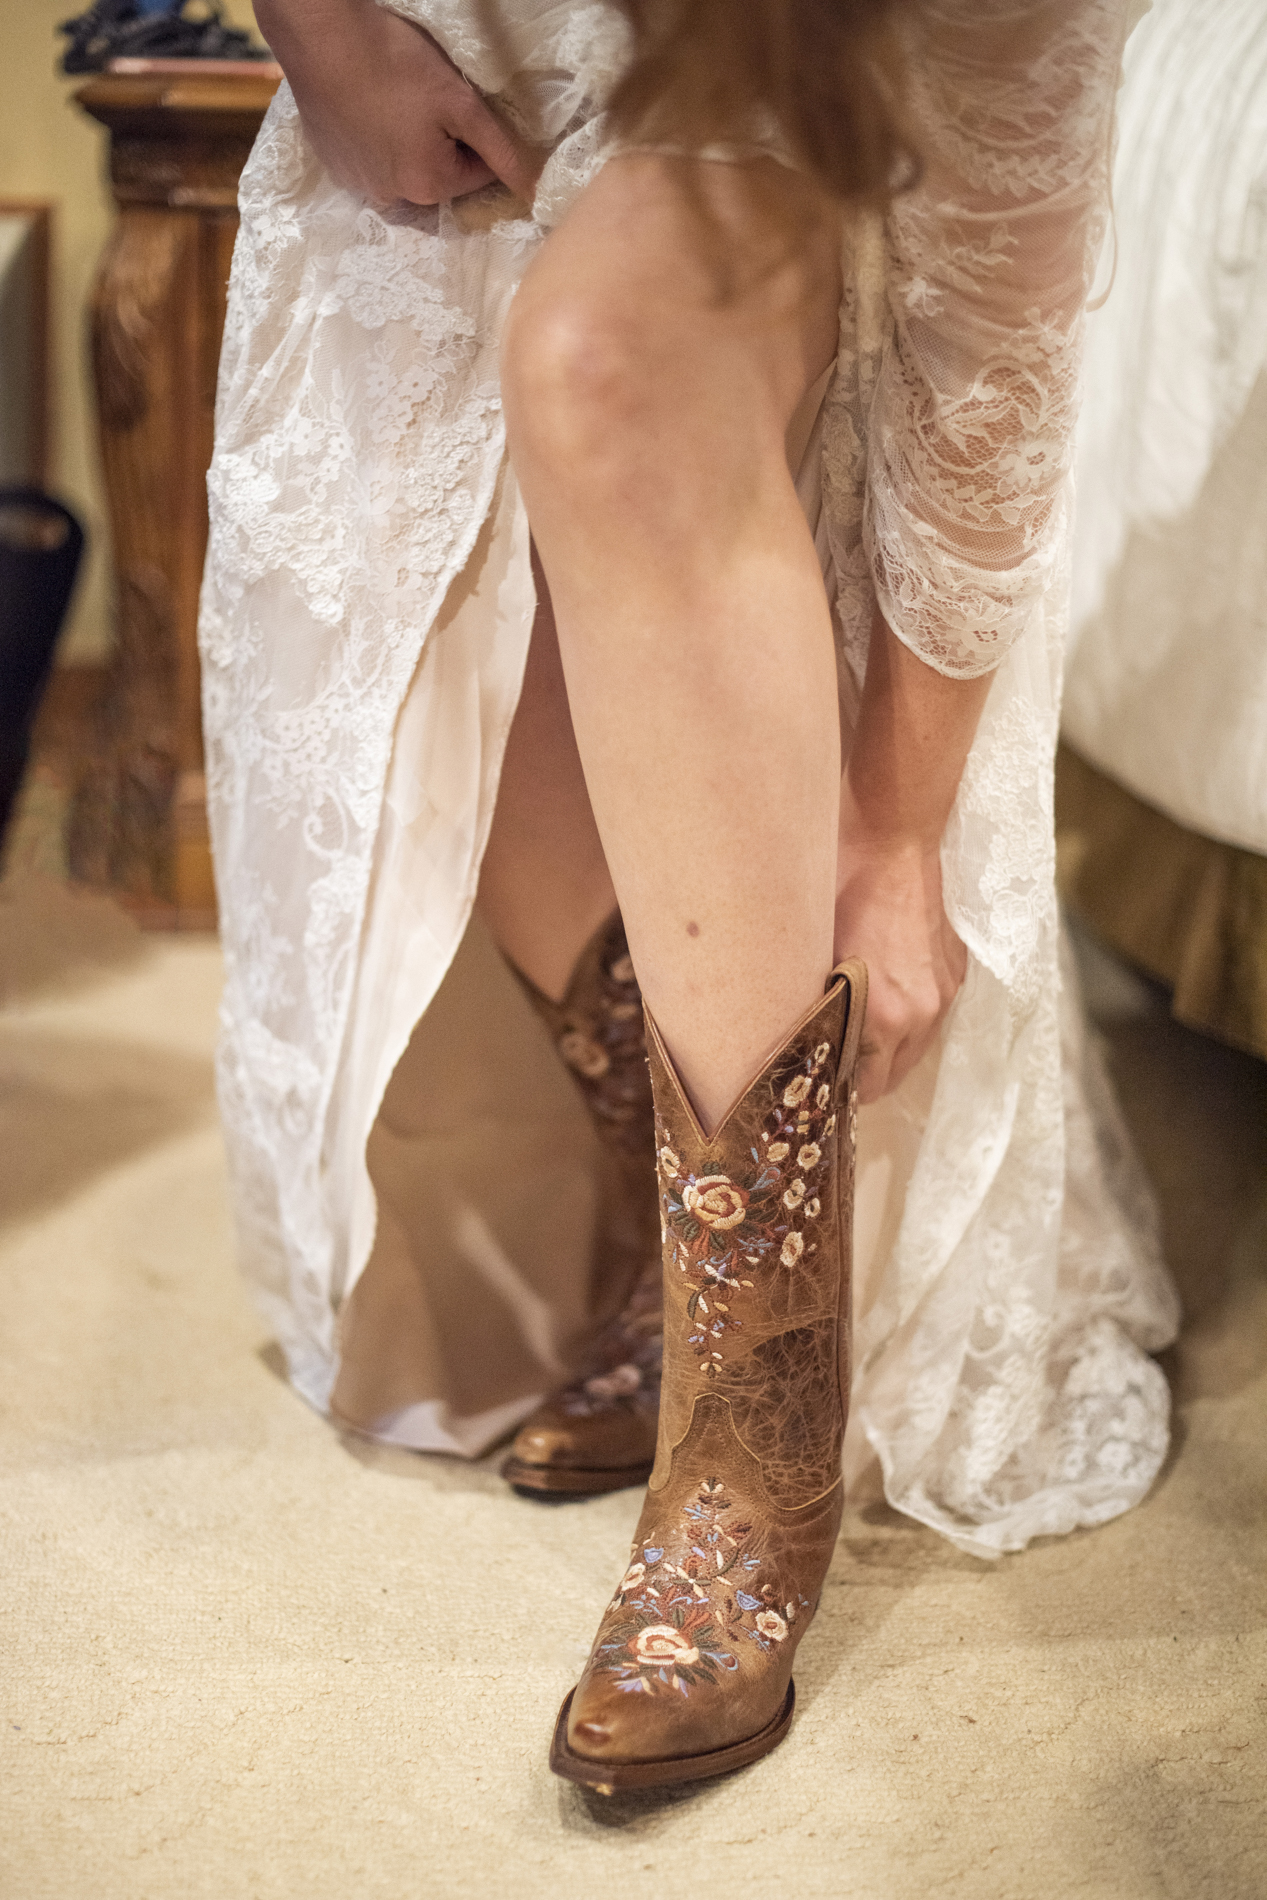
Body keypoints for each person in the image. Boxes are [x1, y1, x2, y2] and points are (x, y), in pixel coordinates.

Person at [199, 0, 1179, 1787]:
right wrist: (320, 29)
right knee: (473, 594)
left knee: (605, 360)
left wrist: (895, 832)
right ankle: (657, 1239)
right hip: (452, 45)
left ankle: (751, 1426)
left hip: (794, 91)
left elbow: (992, 344)